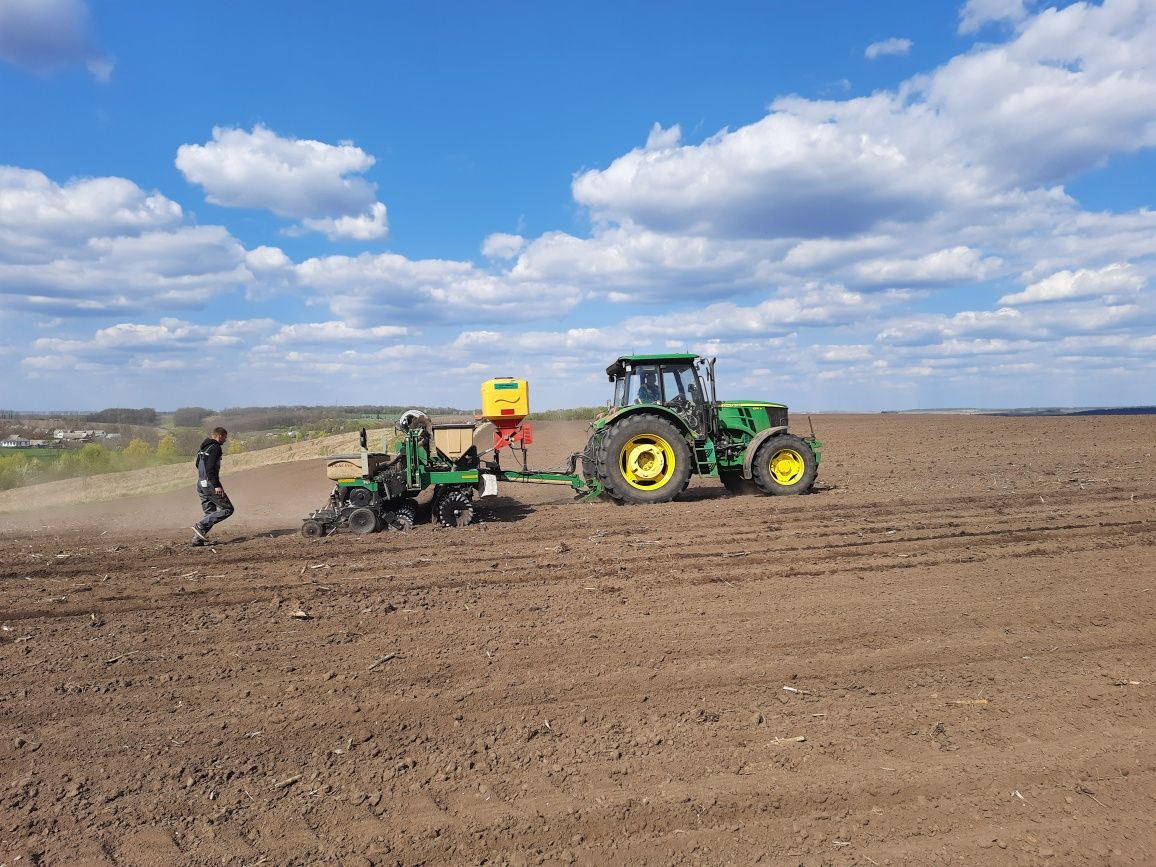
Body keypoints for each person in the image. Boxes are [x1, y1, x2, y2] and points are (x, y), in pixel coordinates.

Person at [191, 427, 233, 546]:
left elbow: (197, 464)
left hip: (200, 483)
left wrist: (204, 480)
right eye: (225, 437)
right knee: (228, 509)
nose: (225, 440)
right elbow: (210, 468)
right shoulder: (215, 448)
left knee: (210, 513)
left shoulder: (203, 448)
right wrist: (216, 485)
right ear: (220, 436)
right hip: (210, 484)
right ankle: (201, 525)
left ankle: (197, 540)